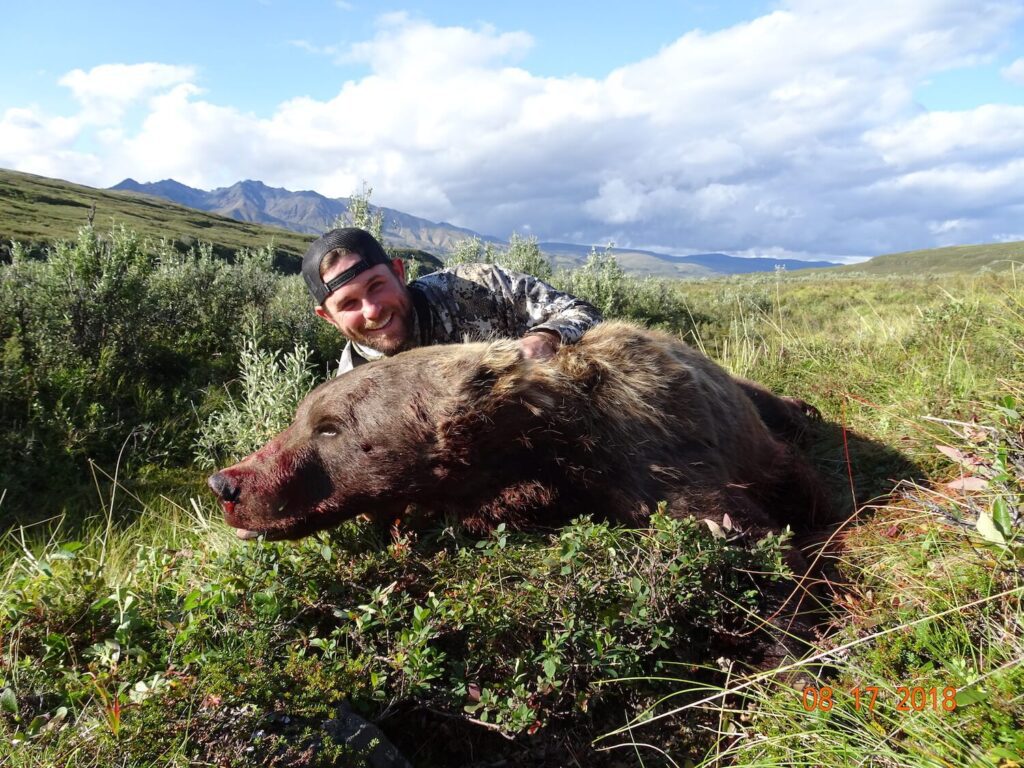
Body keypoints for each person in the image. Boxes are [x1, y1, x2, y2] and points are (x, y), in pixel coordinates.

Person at [301, 227, 603, 374]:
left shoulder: (481, 285)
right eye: (348, 304)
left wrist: (544, 338)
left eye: (377, 285)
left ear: (399, 271)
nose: (372, 310)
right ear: (327, 316)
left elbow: (584, 313)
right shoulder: (350, 387)